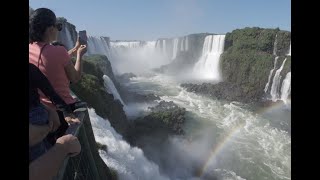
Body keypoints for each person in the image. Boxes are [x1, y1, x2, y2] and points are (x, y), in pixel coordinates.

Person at [29, 8, 87, 138]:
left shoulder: (30, 49)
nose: (58, 30)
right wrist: (79, 55)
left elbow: (48, 59)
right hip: (63, 111)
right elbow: (76, 77)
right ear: (50, 29)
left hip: (41, 109)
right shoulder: (59, 51)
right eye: (58, 26)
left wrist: (74, 49)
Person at [29, 62, 80, 161]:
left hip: (40, 118)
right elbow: (50, 92)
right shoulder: (31, 69)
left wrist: (63, 111)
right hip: (38, 121)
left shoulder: (31, 69)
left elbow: (49, 92)